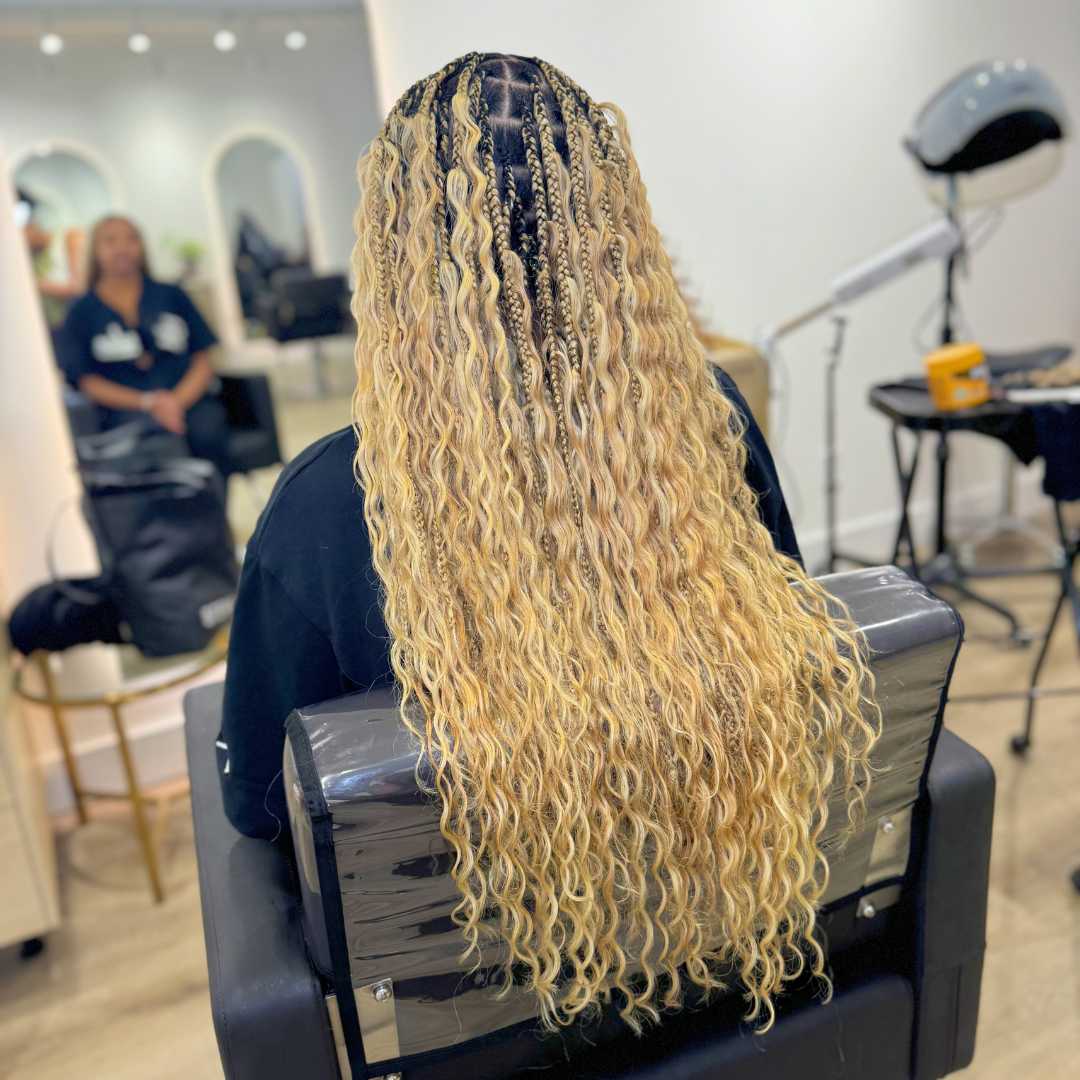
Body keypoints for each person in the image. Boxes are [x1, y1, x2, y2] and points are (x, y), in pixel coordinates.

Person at [219, 54, 876, 1033]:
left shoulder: (325, 509)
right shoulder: (709, 422)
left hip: (494, 1020)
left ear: (399, 256)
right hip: (729, 967)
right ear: (610, 233)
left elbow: (261, 808)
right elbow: (780, 666)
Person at [56, 215, 231, 478]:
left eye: (131, 239)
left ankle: (214, 514)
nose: (122, 248)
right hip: (125, 410)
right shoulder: (81, 311)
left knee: (208, 430)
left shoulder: (172, 295)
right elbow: (85, 380)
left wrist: (175, 402)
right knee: (152, 440)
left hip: (187, 400)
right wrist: (149, 402)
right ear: (95, 251)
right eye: (110, 241)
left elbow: (203, 357)